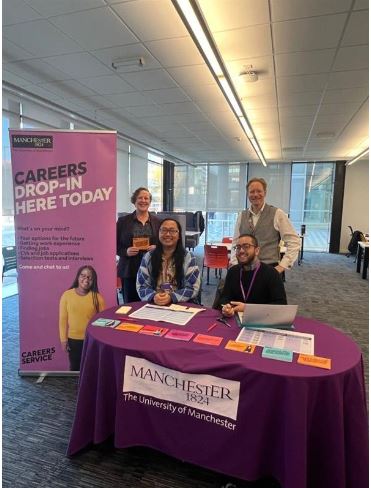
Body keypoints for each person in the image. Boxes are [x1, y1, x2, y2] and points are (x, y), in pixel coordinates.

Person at [230, 177, 300, 274]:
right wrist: (234, 264)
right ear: (247, 194)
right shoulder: (242, 215)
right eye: (252, 191)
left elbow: (294, 241)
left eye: (259, 191)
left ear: (265, 193)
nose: (255, 194)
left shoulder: (277, 214)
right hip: (245, 269)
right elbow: (235, 242)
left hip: (269, 269)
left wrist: (282, 266)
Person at [220, 234, 287, 317]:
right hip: (234, 320)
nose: (241, 251)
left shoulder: (271, 273)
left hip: (262, 321)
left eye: (246, 246)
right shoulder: (233, 271)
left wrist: (248, 308)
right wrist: (226, 307)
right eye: (238, 247)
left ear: (257, 250)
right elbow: (224, 297)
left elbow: (281, 305)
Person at [137, 218, 201, 304]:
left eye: (172, 231)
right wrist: (153, 296)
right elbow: (141, 286)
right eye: (163, 230)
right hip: (155, 303)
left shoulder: (189, 257)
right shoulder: (148, 257)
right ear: (158, 233)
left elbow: (192, 287)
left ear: (179, 236)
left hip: (181, 305)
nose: (167, 234)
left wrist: (172, 297)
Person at [116, 187, 161, 303]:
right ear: (134, 201)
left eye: (146, 198)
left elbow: (164, 243)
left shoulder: (158, 222)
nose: (143, 200)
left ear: (150, 202)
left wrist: (157, 248)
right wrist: (125, 251)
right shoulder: (122, 221)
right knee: (130, 304)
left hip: (152, 270)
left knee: (151, 304)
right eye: (140, 198)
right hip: (129, 269)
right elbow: (113, 244)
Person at [59, 265, 105, 371]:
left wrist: (101, 342)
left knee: (91, 368)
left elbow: (103, 323)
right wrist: (63, 340)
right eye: (83, 275)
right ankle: (76, 388)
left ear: (93, 281)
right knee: (75, 368)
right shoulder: (66, 295)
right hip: (73, 341)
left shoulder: (98, 298)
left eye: (90, 277)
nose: (86, 279)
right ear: (78, 277)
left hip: (92, 340)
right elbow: (62, 320)